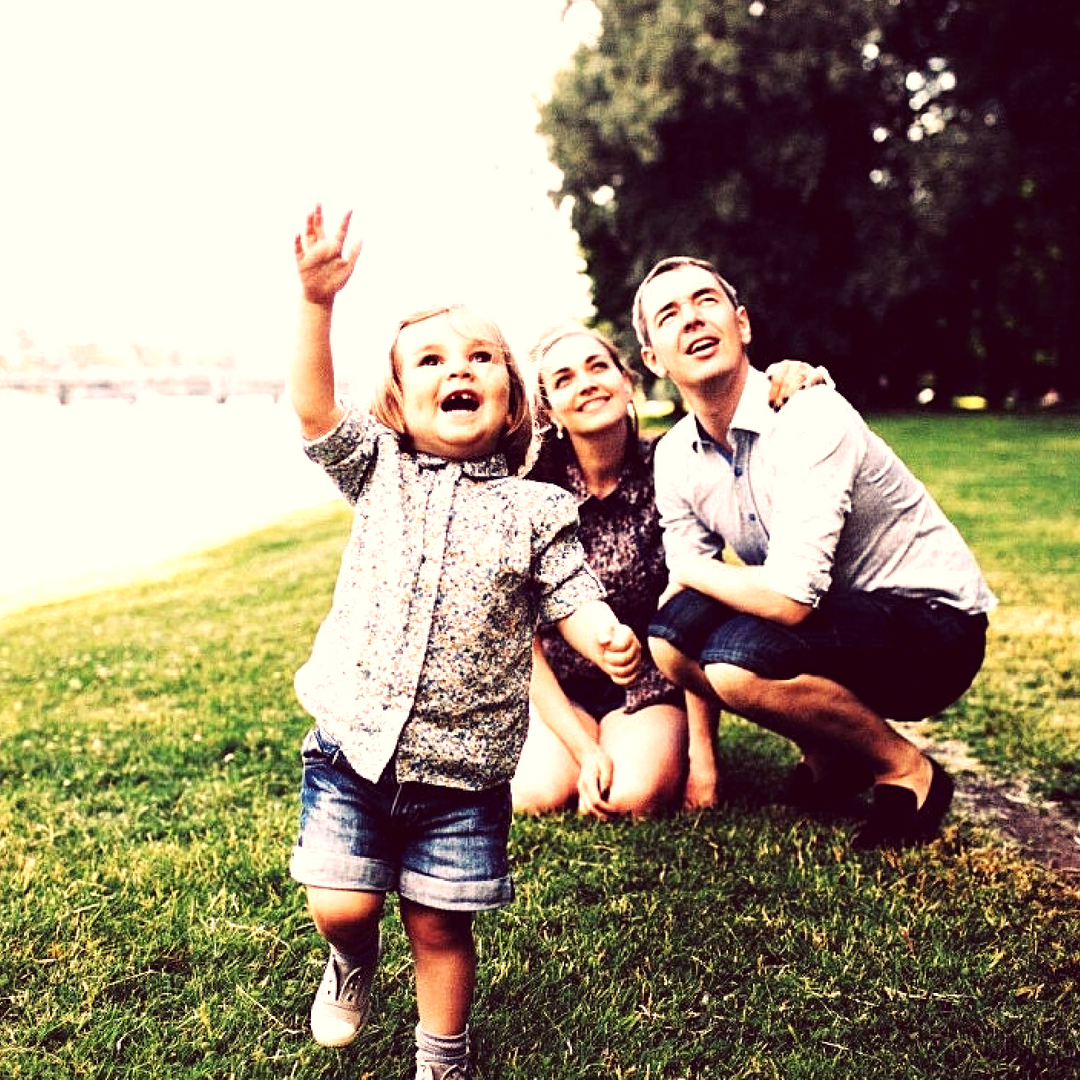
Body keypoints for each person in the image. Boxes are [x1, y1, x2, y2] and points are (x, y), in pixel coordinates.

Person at [287, 205, 642, 1080]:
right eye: (433, 361)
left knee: (441, 926)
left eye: (482, 358)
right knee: (340, 904)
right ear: (398, 402)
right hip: (351, 751)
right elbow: (313, 407)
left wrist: (604, 637)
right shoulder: (379, 470)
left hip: (463, 776)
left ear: (514, 400)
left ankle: (442, 1057)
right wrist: (317, 302)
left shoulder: (537, 508)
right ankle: (351, 958)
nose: (459, 370)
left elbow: (571, 595)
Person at [634, 256, 996, 850]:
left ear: (742, 324)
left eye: (705, 300)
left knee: (736, 661)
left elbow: (788, 599)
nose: (692, 319)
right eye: (669, 314)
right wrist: (703, 761)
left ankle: (908, 772)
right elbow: (685, 603)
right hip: (844, 617)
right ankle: (833, 758)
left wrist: (689, 570)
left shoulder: (809, 412)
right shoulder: (675, 455)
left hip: (935, 630)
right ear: (653, 359)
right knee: (671, 639)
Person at [511, 324, 826, 817]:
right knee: (537, 796)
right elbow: (520, 637)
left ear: (627, 381)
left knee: (629, 798)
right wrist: (583, 748)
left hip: (651, 686)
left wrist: (703, 758)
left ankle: (643, 743)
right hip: (561, 688)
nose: (587, 383)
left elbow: (696, 611)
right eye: (565, 378)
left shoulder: (674, 464)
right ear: (549, 410)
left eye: (598, 367)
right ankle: (582, 745)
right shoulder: (532, 492)